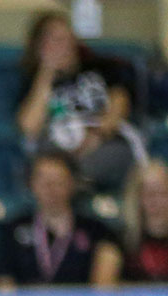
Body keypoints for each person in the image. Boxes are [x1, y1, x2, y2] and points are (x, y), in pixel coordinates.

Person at [17, 10, 140, 190]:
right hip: (57, 150)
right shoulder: (33, 81)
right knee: (46, 167)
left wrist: (97, 135)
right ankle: (68, 184)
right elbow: (29, 127)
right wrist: (46, 74)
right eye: (55, 41)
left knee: (116, 153)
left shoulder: (100, 68)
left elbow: (119, 103)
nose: (64, 47)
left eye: (67, 38)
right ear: (40, 47)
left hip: (98, 142)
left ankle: (72, 183)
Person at [0, 151, 120, 287]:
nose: (50, 188)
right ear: (31, 184)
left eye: (58, 181)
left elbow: (104, 288)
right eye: (43, 181)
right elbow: (5, 280)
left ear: (73, 183)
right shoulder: (14, 229)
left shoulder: (95, 231)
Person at [119, 159, 168, 283]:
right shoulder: (119, 240)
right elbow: (103, 290)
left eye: (163, 193)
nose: (157, 201)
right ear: (136, 197)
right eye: (150, 194)